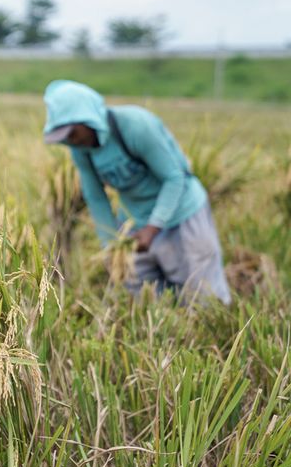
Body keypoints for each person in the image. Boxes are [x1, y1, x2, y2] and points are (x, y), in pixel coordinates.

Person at [42, 79, 231, 304]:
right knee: (145, 300)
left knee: (201, 296)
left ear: (88, 119)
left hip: (182, 216)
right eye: (63, 137)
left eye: (71, 133)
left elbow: (174, 178)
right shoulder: (80, 149)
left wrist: (153, 228)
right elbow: (96, 197)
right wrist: (110, 245)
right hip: (135, 223)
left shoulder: (135, 125)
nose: (69, 141)